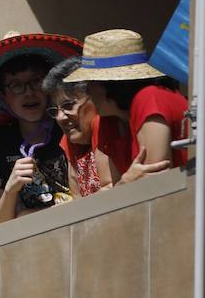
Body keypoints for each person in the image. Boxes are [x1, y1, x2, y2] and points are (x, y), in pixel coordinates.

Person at [0, 33, 83, 225]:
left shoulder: (67, 125)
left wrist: (25, 215)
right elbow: (0, 222)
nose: (28, 92)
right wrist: (11, 188)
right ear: (3, 96)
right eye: (16, 85)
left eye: (36, 81)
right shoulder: (2, 140)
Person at [63, 29, 190, 169]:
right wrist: (126, 182)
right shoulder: (113, 119)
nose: (87, 90)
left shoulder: (149, 98)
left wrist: (127, 182)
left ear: (108, 83)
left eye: (90, 82)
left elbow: (157, 179)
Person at [43, 57, 168, 196]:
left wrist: (124, 183)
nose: (60, 117)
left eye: (68, 106)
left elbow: (155, 182)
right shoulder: (70, 138)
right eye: (54, 111)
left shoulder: (106, 122)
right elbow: (78, 199)